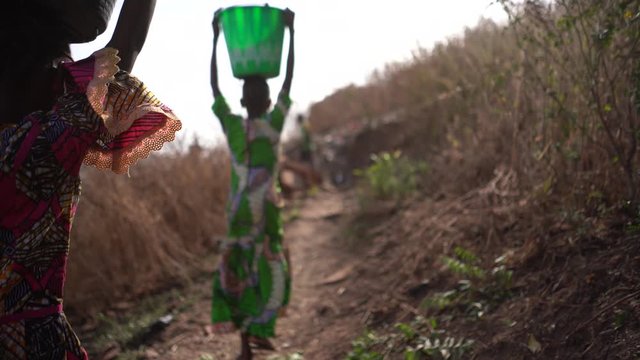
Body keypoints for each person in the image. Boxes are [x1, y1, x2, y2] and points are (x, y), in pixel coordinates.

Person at [0, 0, 181, 358]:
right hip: (30, 341)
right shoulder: (51, 137)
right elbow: (125, 47)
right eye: (64, 65)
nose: (71, 67)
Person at [210, 8, 295, 360]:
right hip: (266, 216)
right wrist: (290, 32)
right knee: (274, 269)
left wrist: (215, 36)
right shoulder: (274, 126)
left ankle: (247, 341)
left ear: (242, 101)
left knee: (237, 276)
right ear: (269, 102)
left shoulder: (232, 128)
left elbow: (214, 85)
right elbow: (290, 79)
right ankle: (259, 330)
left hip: (239, 215)